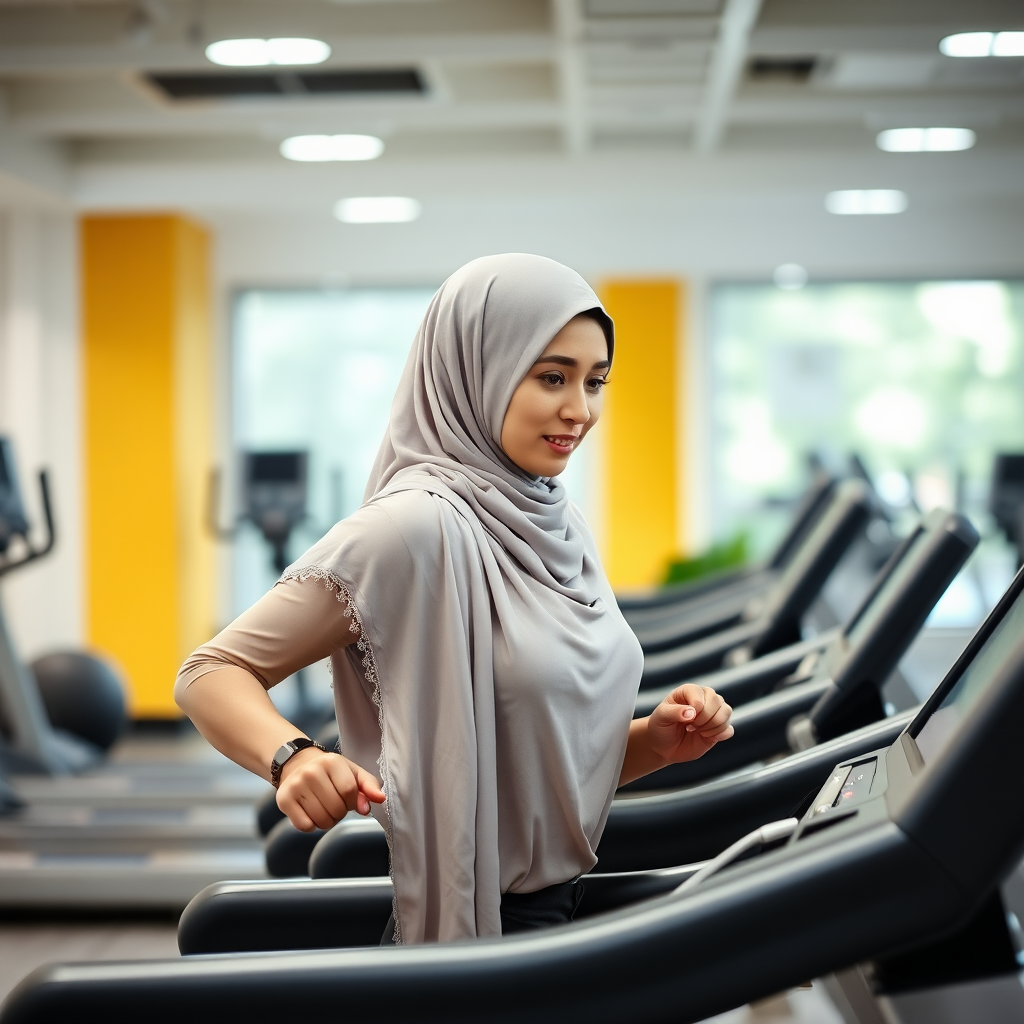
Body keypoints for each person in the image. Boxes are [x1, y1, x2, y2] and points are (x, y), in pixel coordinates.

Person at [175, 253, 734, 945]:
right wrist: (293, 756)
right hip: (478, 935)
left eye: (595, 382)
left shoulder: (554, 519)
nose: (579, 409)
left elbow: (525, 762)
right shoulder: (413, 526)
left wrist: (655, 741)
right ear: (478, 369)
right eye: (552, 377)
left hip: (562, 915)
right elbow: (208, 673)